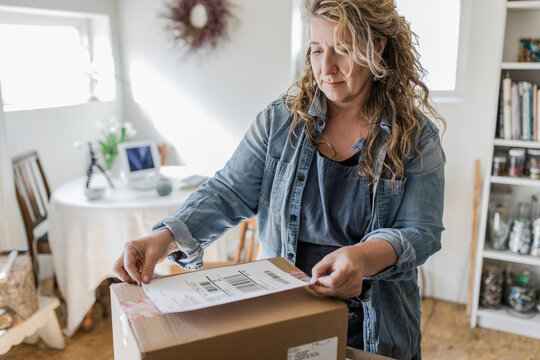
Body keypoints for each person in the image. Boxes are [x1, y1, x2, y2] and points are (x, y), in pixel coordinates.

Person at [114, 0, 445, 359]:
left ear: (377, 47)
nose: (326, 68)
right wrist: (163, 238)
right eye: (317, 50)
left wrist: (362, 259)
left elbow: (420, 230)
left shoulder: (416, 136)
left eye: (343, 50)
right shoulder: (279, 122)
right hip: (284, 319)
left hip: (377, 331)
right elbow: (228, 190)